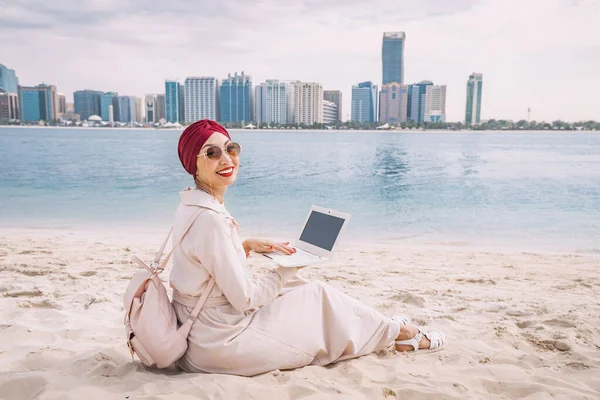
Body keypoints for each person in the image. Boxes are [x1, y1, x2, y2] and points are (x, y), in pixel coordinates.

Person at [170, 119, 445, 377]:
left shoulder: (193, 206)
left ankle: (382, 324)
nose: (227, 159)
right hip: (218, 343)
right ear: (192, 165)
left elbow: (203, 266)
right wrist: (289, 266)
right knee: (317, 294)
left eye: (231, 148)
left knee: (299, 287)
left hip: (198, 330)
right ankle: (402, 333)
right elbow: (244, 299)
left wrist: (244, 245)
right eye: (212, 153)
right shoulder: (210, 220)